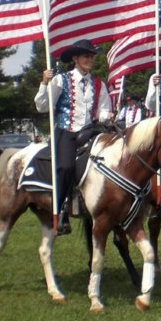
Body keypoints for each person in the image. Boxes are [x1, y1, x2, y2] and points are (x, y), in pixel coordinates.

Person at [34, 39, 114, 234]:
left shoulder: (98, 84)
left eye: (92, 56)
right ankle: (61, 209)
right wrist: (44, 83)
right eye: (87, 56)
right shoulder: (61, 80)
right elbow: (42, 106)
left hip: (90, 130)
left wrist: (107, 116)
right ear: (76, 58)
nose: (91, 59)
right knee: (66, 166)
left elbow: (102, 111)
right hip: (66, 131)